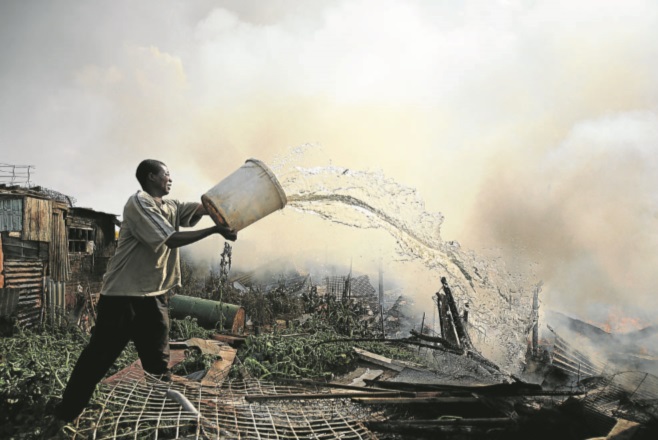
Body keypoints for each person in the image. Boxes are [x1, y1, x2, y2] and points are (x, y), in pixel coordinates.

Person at [47, 159, 236, 434]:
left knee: (158, 365)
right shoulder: (139, 204)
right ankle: (64, 415)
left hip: (154, 298)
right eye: (166, 174)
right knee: (97, 359)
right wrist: (216, 230)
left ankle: (160, 420)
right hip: (122, 298)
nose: (171, 178)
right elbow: (170, 239)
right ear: (151, 177)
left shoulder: (170, 206)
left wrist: (226, 202)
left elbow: (201, 208)